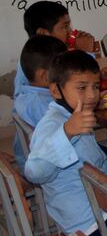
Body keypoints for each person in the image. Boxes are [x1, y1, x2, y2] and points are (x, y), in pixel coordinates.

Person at [24, 50, 107, 236]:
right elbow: (34, 172)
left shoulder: (72, 114)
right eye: (82, 88)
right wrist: (67, 132)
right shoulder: (52, 125)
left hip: (94, 208)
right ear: (56, 91)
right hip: (92, 224)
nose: (92, 95)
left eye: (96, 86)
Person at [14, 0, 97, 100]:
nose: (70, 31)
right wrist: (87, 53)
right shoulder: (35, 62)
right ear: (43, 33)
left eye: (69, 25)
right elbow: (84, 81)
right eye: (65, 26)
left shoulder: (52, 53)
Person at [13, 35, 68, 167]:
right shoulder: (44, 105)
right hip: (59, 164)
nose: (67, 73)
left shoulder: (26, 94)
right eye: (64, 69)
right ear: (44, 76)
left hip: (35, 158)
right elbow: (69, 130)